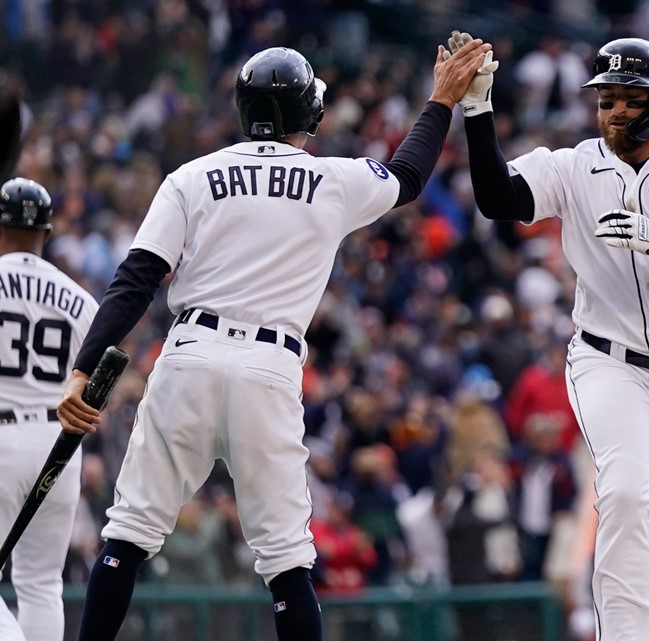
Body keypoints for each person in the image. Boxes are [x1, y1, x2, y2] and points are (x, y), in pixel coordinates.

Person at [55, 40, 492, 641]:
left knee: (127, 534)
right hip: (269, 368)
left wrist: (84, 369)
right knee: (287, 562)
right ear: (307, 114)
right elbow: (411, 173)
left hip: (189, 357)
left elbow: (136, 279)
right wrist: (441, 98)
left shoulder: (192, 176)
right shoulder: (330, 178)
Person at [448, 31, 649, 641]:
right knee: (624, 496)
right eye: (606, 98)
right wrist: (478, 111)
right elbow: (497, 199)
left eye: (628, 97)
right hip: (609, 362)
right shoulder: (575, 167)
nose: (615, 109)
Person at [0, 177, 97, 641]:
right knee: (41, 585)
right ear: (48, 232)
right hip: (59, 442)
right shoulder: (79, 299)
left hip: (1, 434)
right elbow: (98, 382)